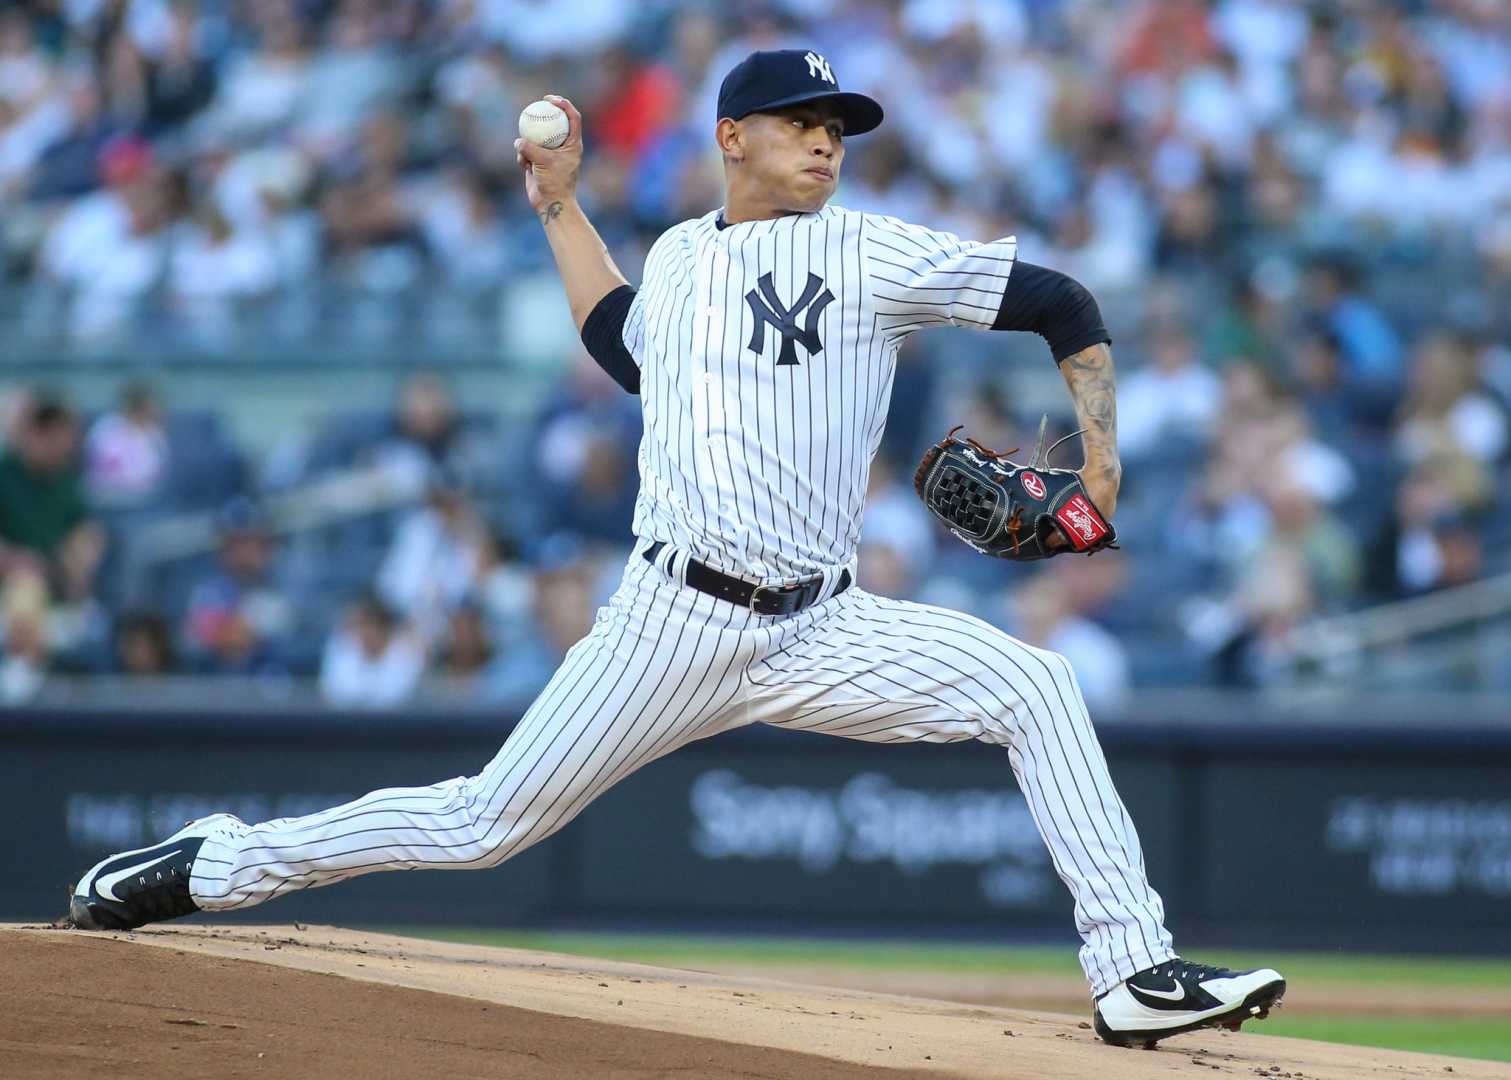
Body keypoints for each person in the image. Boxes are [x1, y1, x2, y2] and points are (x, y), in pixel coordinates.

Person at [65, 50, 1283, 1048]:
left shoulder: (869, 252)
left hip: (824, 624)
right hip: (669, 622)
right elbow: (619, 343)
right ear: (729, 136)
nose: (822, 141)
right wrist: (556, 204)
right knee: (483, 824)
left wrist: (1101, 454)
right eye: (796, 120)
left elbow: (1060, 301)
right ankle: (223, 864)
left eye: (836, 126)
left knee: (1035, 682)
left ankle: (1132, 971)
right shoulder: (686, 257)